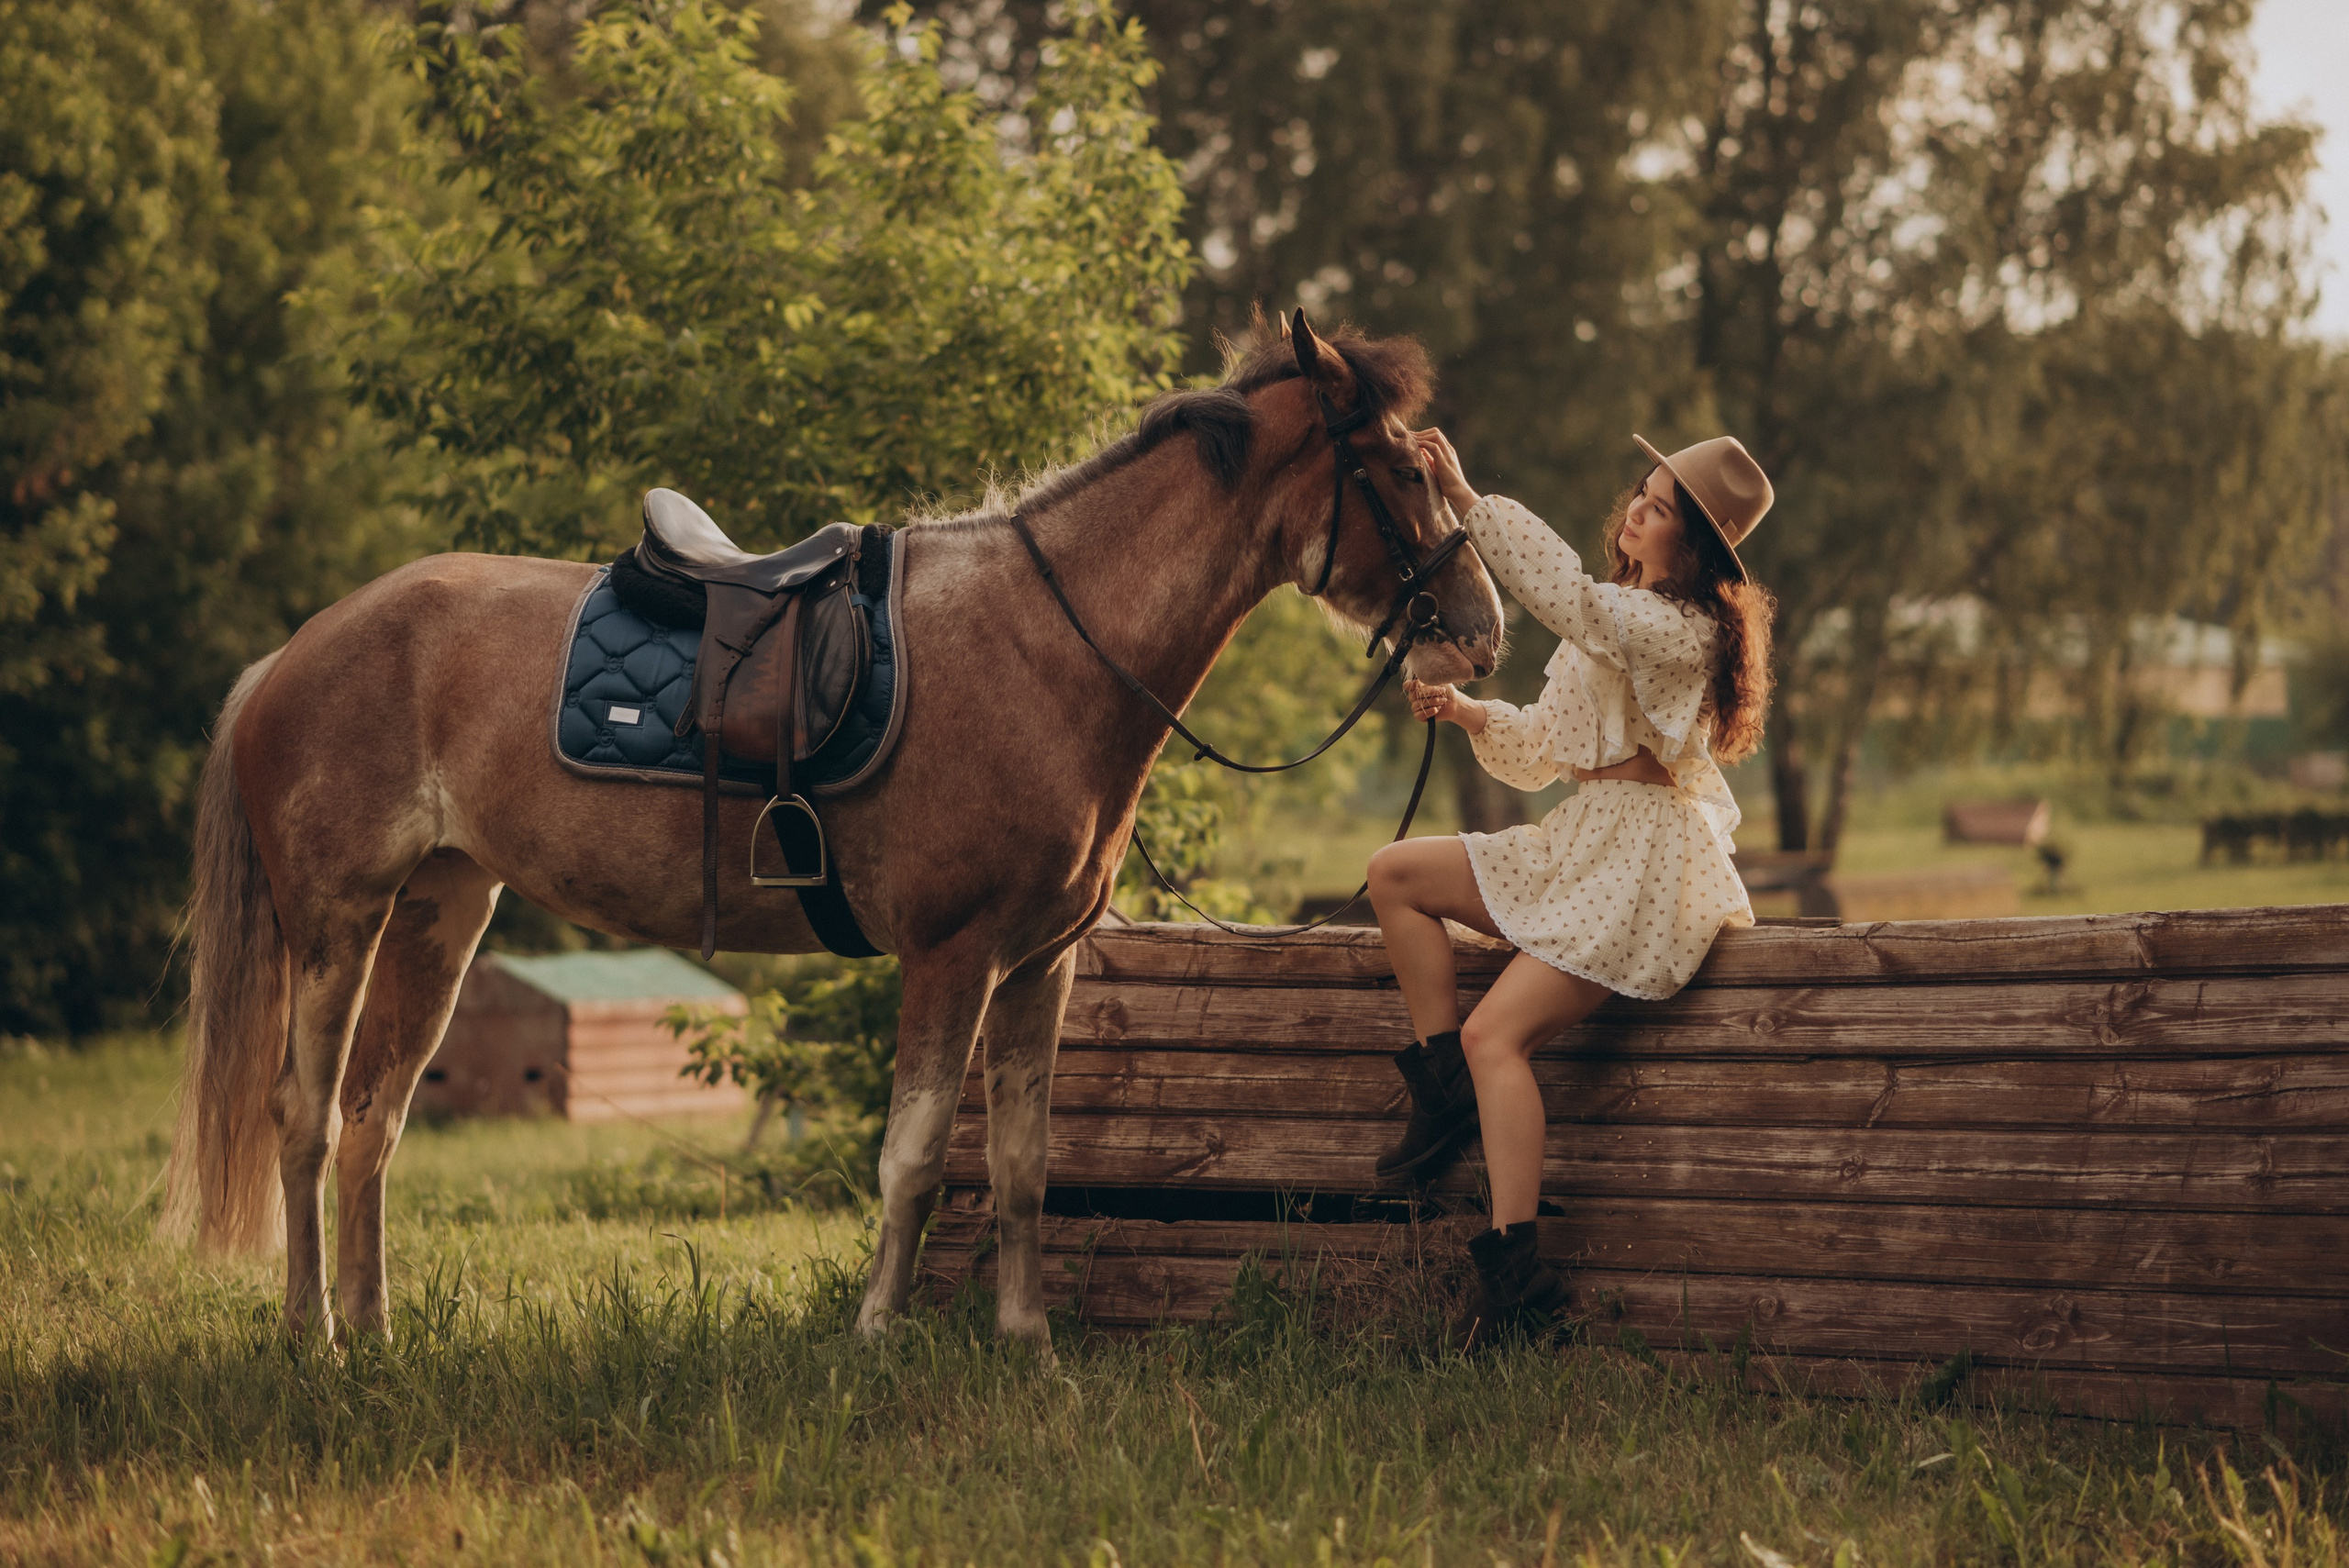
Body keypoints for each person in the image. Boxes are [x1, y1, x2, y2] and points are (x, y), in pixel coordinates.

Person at [1368, 429, 1777, 1350]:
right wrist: (1471, 712)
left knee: (1495, 1033)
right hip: (1580, 838)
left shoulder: (1682, 628)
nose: (1636, 507)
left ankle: (1515, 1273)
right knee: (1394, 874)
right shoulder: (1619, 612)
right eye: (1642, 490)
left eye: (1660, 506)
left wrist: (1468, 498)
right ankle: (1442, 1089)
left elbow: (1565, 600)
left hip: (1641, 862)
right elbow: (1555, 749)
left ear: (1697, 546)